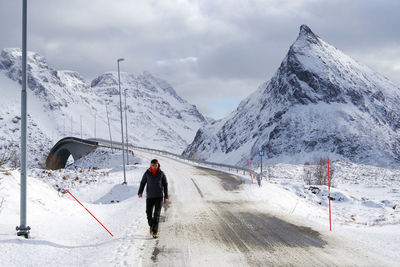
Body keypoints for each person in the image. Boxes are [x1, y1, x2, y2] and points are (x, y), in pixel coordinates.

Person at [138, 159, 168, 238]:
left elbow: (165, 184)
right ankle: (151, 225)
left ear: (158, 165)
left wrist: (166, 196)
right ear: (150, 165)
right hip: (150, 197)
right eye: (153, 165)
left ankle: (155, 232)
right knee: (148, 213)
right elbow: (143, 182)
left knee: (156, 214)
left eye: (155, 165)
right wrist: (140, 192)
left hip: (159, 197)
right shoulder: (147, 173)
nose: (154, 167)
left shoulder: (161, 173)